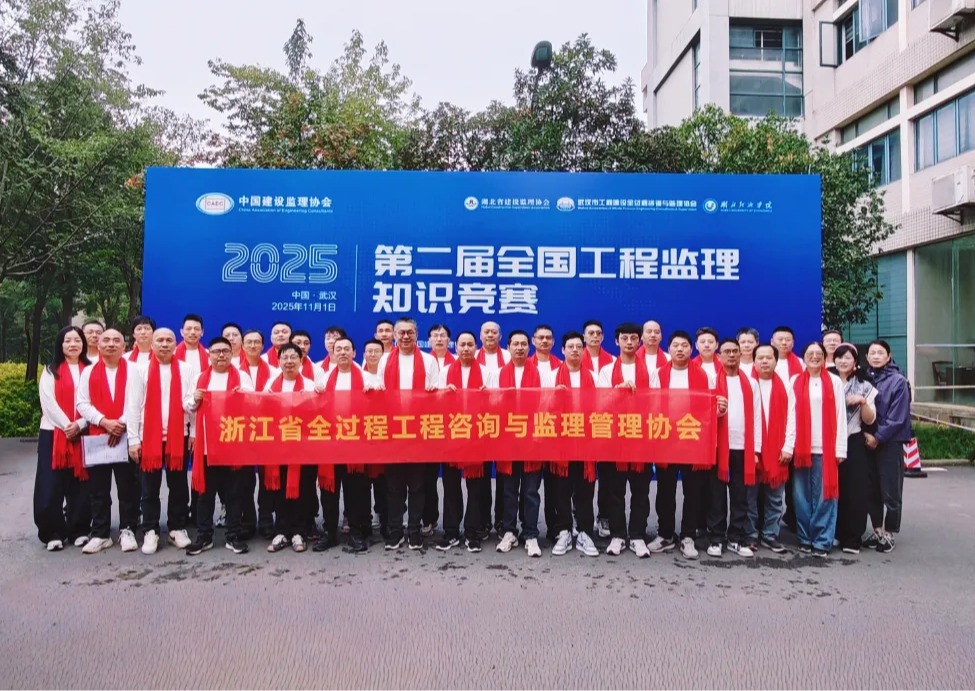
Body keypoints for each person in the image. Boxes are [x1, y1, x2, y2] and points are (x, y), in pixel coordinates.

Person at [648, 331, 718, 559]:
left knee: (693, 491)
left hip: (692, 439)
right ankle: (666, 534)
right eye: (676, 345)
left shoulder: (704, 375)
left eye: (684, 345)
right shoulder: (658, 374)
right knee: (665, 490)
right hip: (667, 439)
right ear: (669, 349)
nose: (680, 349)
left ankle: (688, 536)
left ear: (691, 349)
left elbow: (709, 408)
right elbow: (651, 404)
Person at [125, 328, 194, 554]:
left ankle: (177, 528)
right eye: (160, 340)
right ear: (152, 345)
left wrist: (193, 432)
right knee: (149, 487)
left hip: (179, 436)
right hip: (148, 438)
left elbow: (191, 403)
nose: (164, 344)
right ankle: (150, 530)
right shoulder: (140, 370)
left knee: (178, 485)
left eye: (169, 340)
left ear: (175, 344)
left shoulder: (186, 369)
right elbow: (133, 406)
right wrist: (133, 439)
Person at [184, 337, 255, 556]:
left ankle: (233, 536)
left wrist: (242, 396)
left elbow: (254, 403)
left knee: (234, 493)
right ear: (210, 355)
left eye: (225, 351)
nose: (221, 355)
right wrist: (195, 399)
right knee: (205, 494)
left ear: (232, 353)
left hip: (232, 444)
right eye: (216, 351)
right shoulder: (199, 378)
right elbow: (187, 406)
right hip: (207, 445)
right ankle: (204, 536)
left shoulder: (242, 376)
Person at [76, 329, 141, 554]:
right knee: (98, 489)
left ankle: (128, 529)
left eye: (116, 341)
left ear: (124, 347)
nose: (111, 344)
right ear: (98, 345)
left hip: (126, 435)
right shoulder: (89, 371)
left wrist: (119, 424)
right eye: (106, 340)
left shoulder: (134, 370)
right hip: (98, 437)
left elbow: (138, 402)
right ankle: (101, 533)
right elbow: (82, 403)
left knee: (128, 487)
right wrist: (104, 422)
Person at [377, 317, 439, 550]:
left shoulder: (429, 360)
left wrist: (435, 392)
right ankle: (395, 531)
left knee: (417, 486)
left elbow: (437, 394)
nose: (405, 336)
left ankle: (414, 530)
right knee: (393, 487)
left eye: (410, 332)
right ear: (394, 335)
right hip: (392, 432)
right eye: (401, 332)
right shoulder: (384, 360)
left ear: (416, 334)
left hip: (419, 432)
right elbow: (378, 391)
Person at [596, 322, 653, 558]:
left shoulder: (651, 370)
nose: (629, 342)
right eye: (624, 338)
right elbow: (599, 403)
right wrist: (617, 391)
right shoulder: (607, 370)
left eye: (633, 338)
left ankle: (638, 535)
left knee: (640, 492)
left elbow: (658, 403)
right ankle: (617, 535)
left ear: (639, 341)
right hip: (614, 439)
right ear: (616, 341)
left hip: (641, 438)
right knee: (614, 491)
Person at [35, 326, 91, 551]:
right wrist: (68, 425)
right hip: (54, 432)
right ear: (60, 344)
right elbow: (48, 403)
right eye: (68, 341)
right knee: (50, 485)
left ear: (83, 344)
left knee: (81, 484)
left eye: (77, 340)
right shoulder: (50, 371)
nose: (73, 344)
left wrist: (80, 424)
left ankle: (79, 529)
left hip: (84, 432)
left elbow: (96, 401)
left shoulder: (90, 369)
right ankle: (53, 532)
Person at [544, 331, 599, 557]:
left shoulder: (594, 376)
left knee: (585, 491)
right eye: (570, 347)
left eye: (578, 346)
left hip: (586, 442)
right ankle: (564, 531)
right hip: (561, 443)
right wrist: (553, 397)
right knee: (561, 490)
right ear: (562, 350)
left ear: (583, 350)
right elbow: (540, 408)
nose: (575, 350)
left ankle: (585, 532)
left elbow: (603, 406)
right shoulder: (551, 376)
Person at [318, 336, 375, 553]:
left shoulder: (367, 378)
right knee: (329, 493)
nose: (342, 352)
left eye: (346, 349)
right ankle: (330, 533)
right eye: (338, 349)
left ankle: (356, 533)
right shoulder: (323, 378)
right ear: (332, 353)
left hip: (356, 445)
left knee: (356, 492)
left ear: (354, 353)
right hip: (329, 445)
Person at [436, 331, 492, 553]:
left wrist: (487, 397)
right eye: (462, 344)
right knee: (450, 486)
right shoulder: (444, 371)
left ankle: (472, 532)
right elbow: (435, 403)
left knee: (476, 488)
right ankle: (451, 531)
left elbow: (497, 402)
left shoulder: (487, 372)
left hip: (478, 437)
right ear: (456, 347)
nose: (466, 348)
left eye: (470, 344)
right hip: (453, 435)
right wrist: (444, 394)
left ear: (476, 347)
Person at [790, 342, 847, 558]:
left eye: (818, 354)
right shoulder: (795, 381)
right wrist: (789, 445)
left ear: (824, 358)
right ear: (803, 357)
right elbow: (790, 415)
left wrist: (840, 449)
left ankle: (822, 541)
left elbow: (841, 415)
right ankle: (805, 538)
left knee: (825, 496)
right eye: (810, 353)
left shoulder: (834, 381)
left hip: (827, 448)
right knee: (801, 496)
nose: (814, 357)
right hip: (802, 448)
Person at [705, 339, 761, 559]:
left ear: (741, 355)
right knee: (716, 496)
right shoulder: (711, 380)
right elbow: (702, 414)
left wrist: (756, 450)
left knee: (741, 497)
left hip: (742, 447)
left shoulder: (751, 383)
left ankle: (736, 538)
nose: (731, 355)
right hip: (718, 447)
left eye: (735, 352)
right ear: (719, 356)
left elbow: (757, 417)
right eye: (727, 352)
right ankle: (716, 538)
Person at [263, 343, 318, 554]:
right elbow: (261, 409)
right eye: (284, 357)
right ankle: (282, 531)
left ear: (301, 360)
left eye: (293, 357)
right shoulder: (270, 384)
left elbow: (320, 413)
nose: (289, 361)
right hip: (278, 446)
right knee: (279, 489)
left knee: (303, 488)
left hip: (304, 447)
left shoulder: (311, 385)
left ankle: (299, 532)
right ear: (278, 361)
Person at [495, 329, 544, 558]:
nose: (520, 348)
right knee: (509, 490)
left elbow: (547, 403)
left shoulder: (540, 373)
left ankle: (531, 534)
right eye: (515, 344)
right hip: (507, 440)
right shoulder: (498, 373)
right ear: (508, 347)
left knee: (531, 491)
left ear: (529, 346)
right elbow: (491, 403)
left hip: (533, 439)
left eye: (524, 344)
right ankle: (509, 532)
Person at [864, 339, 911, 554]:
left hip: (889, 443)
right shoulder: (864, 378)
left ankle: (890, 532)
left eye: (880, 353)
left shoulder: (898, 381)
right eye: (872, 353)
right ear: (867, 357)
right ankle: (877, 530)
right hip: (867, 442)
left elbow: (898, 417)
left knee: (891, 490)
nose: (876, 356)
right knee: (871, 489)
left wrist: (878, 437)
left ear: (889, 356)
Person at [748, 344, 794, 554]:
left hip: (778, 450)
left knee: (775, 497)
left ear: (776, 360)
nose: (765, 361)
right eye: (761, 358)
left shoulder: (786, 386)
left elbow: (792, 418)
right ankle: (749, 534)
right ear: (754, 361)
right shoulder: (747, 383)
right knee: (750, 497)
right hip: (752, 450)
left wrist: (788, 446)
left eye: (769, 358)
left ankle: (770, 535)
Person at [831, 343, 877, 554]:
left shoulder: (864, 385)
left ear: (855, 362)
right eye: (839, 357)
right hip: (829, 440)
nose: (843, 361)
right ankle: (835, 532)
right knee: (833, 488)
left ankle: (852, 537)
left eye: (848, 357)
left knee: (855, 489)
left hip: (854, 440)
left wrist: (863, 402)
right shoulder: (828, 381)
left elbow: (869, 419)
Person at [239, 330, 278, 540]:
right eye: (249, 342)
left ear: (263, 346)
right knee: (244, 479)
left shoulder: (274, 371)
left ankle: (265, 519)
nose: (253, 345)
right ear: (242, 346)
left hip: (268, 430)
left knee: (267, 477)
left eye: (257, 342)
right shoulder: (234, 370)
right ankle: (247, 521)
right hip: (242, 431)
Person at [476, 320, 510, 538]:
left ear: (500, 336)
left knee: (505, 476)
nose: (490, 335)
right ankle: (482, 521)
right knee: (481, 476)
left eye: (494, 332)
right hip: (479, 424)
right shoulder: (472, 357)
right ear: (480, 336)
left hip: (505, 424)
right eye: (486, 332)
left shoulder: (508, 357)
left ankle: (502, 520)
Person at [582, 319, 615, 539]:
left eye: (598, 333)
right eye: (590, 333)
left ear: (603, 337)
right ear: (584, 336)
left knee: (607, 476)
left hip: (605, 426)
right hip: (581, 426)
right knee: (583, 476)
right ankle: (580, 516)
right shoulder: (574, 359)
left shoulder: (612, 362)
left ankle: (604, 516)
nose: (594, 336)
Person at [422, 323, 454, 536]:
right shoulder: (424, 362)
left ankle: (452, 525)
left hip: (453, 428)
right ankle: (429, 519)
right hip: (429, 427)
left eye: (443, 335)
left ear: (449, 340)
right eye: (435, 335)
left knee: (451, 481)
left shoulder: (458, 362)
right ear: (429, 340)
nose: (439, 338)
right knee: (428, 478)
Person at [175, 314, 209, 380]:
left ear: (202, 332)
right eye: (188, 329)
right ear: (182, 332)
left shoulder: (210, 355)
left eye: (196, 329)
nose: (193, 332)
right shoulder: (172, 354)